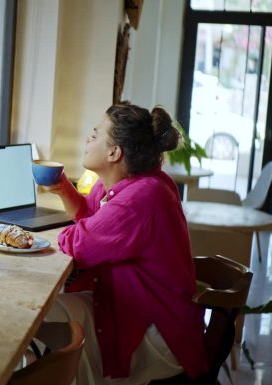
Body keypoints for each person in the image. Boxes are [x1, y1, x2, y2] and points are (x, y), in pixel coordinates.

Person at [42, 102, 207, 384]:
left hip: (158, 330)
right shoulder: (131, 182)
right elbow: (92, 217)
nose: (88, 138)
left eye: (96, 134)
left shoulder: (143, 197)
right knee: (45, 314)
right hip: (132, 304)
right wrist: (63, 188)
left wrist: (64, 235)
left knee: (49, 320)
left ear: (114, 153)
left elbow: (81, 244)